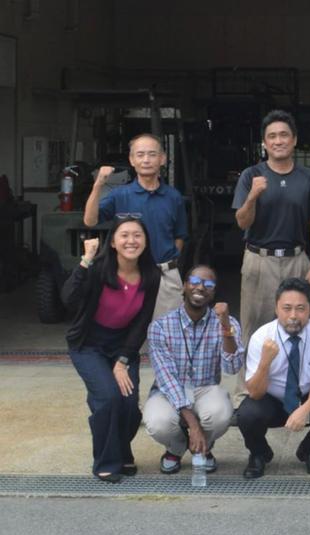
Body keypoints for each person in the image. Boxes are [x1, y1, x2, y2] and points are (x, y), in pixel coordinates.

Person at [232, 110, 310, 404]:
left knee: (299, 325)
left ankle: (301, 390)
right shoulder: (252, 176)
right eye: (272, 136)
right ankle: (244, 394)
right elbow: (241, 221)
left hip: (296, 259)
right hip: (258, 259)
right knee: (252, 327)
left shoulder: (308, 178)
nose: (278, 141)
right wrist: (252, 196)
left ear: (294, 140)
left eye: (284, 135)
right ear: (264, 142)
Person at [63, 217, 161, 482]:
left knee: (129, 405)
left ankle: (121, 451)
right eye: (124, 235)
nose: (131, 241)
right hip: (89, 344)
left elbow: (142, 322)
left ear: (145, 241)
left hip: (123, 344)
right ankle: (106, 462)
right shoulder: (98, 269)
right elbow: (68, 299)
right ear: (114, 243)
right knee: (108, 398)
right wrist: (85, 260)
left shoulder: (151, 275)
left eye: (137, 235)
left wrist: (122, 359)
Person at [238, 278, 310, 479]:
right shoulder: (261, 336)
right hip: (272, 400)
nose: (293, 316)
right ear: (276, 308)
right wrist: (264, 363)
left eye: (300, 309)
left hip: (307, 396)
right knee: (246, 414)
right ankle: (259, 453)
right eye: (286, 308)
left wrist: (305, 410)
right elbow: (255, 391)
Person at [146, 266, 243, 474]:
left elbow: (233, 367)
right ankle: (176, 449)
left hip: (205, 387)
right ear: (184, 286)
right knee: (157, 422)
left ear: (213, 292)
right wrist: (194, 426)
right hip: (169, 390)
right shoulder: (160, 326)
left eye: (208, 285)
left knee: (220, 413)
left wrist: (225, 326)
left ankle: (202, 448)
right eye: (195, 281)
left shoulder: (228, 323)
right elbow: (166, 377)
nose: (201, 287)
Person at [83, 133, 187, 319]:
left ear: (162, 158)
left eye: (152, 154)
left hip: (165, 276)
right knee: (126, 337)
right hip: (128, 275)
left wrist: (169, 263)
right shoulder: (120, 195)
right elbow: (90, 221)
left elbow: (179, 236)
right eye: (140, 155)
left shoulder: (174, 197)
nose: (146, 160)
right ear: (132, 160)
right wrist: (98, 184)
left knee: (169, 335)